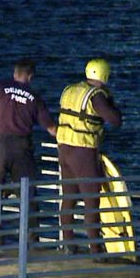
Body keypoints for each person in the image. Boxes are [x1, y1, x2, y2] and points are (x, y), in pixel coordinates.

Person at [0, 58, 57, 246]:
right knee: (27, 192)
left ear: (14, 73)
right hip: (22, 147)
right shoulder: (35, 97)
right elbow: (51, 128)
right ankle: (31, 239)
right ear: (30, 76)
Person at [55, 58, 123, 255]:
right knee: (91, 199)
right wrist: (112, 103)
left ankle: (68, 243)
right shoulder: (96, 95)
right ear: (105, 75)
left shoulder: (70, 89)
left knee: (69, 197)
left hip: (64, 147)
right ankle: (96, 249)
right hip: (83, 150)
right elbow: (115, 120)